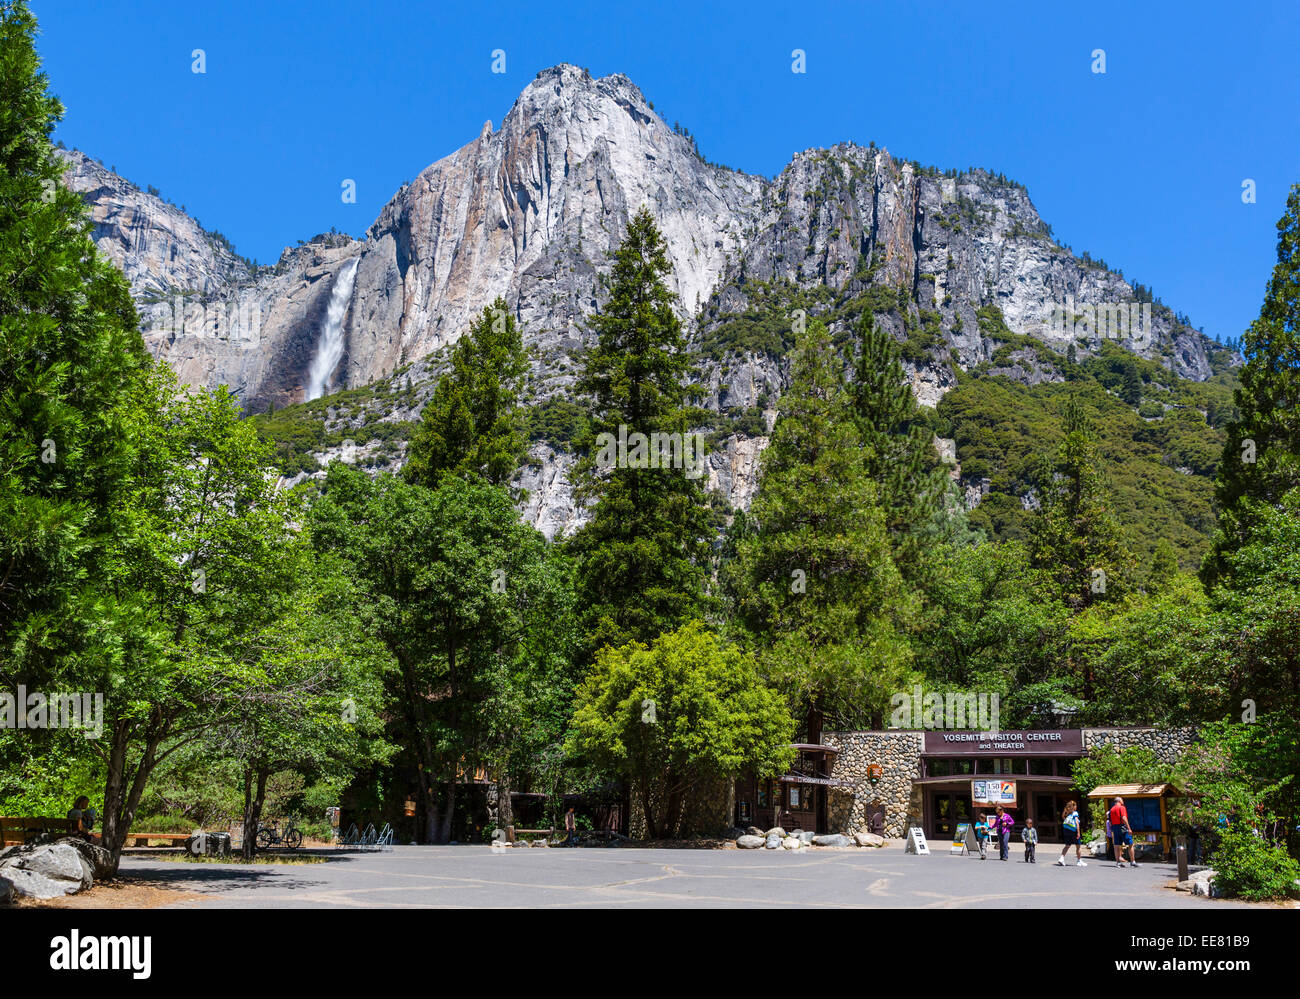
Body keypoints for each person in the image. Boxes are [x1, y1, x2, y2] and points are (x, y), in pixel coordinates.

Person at [1055, 800, 1087, 866]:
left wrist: (1065, 810)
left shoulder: (1068, 813)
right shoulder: (1075, 813)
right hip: (1073, 831)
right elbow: (1077, 823)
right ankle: (1079, 861)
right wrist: (1078, 832)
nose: (1076, 806)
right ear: (1074, 806)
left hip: (1066, 831)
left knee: (1067, 845)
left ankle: (1061, 858)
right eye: (1075, 805)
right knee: (1078, 846)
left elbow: (1063, 817)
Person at [1109, 796, 1138, 868]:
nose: (1123, 801)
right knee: (1130, 843)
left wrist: (1112, 829)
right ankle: (1133, 861)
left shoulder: (1111, 810)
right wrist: (1129, 828)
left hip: (1115, 827)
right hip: (1122, 827)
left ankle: (1118, 863)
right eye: (1122, 800)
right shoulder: (1122, 807)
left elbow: (1110, 821)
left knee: (1116, 845)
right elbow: (1124, 817)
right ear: (1119, 801)